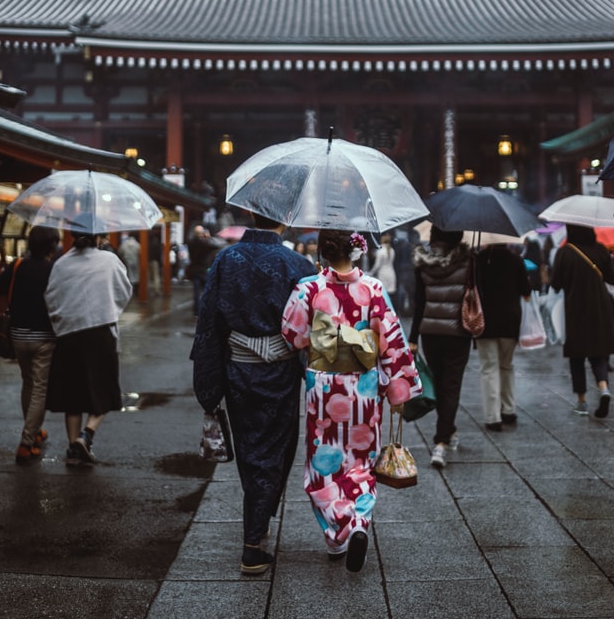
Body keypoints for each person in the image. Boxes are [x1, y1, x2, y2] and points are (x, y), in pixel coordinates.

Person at [281, 229, 422, 574]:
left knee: (322, 466)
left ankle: (339, 530)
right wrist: (398, 388)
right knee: (359, 461)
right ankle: (358, 521)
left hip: (324, 390)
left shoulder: (309, 287)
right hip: (364, 387)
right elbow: (391, 339)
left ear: (323, 252)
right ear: (357, 250)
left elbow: (293, 337)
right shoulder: (373, 289)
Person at [190, 211, 312, 576]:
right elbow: (313, 323)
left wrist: (207, 384)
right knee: (276, 448)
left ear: (250, 217)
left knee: (249, 449)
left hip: (238, 369)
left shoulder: (225, 258)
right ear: (283, 221)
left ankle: (258, 521)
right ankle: (253, 542)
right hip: (281, 370)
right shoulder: (298, 263)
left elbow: (208, 319)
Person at [44, 219, 133, 466]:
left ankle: (73, 447)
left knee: (72, 393)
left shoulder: (61, 264)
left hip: (69, 334)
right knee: (103, 387)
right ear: (99, 237)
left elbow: (51, 296)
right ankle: (87, 434)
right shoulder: (109, 261)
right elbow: (124, 291)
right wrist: (107, 307)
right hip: (100, 331)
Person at [0, 226, 60, 465]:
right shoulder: (54, 270)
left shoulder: (18, 265)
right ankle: (26, 442)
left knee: (28, 382)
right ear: (52, 246)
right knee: (40, 387)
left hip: (18, 336)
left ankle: (33, 430)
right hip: (44, 337)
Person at [409, 225, 473, 469]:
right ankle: (441, 443)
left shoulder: (422, 262)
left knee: (438, 383)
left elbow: (419, 303)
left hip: (430, 334)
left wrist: (413, 337)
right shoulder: (468, 262)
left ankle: (449, 429)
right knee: (451, 386)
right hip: (458, 333)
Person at [550, 223, 614, 417]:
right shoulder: (600, 250)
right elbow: (611, 278)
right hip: (601, 306)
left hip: (575, 308)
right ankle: (603, 388)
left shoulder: (565, 252)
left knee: (577, 355)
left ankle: (582, 401)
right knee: (598, 351)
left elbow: (556, 284)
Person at [475, 242, 531, 430]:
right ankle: (508, 410)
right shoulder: (516, 260)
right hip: (510, 321)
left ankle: (493, 417)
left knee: (489, 368)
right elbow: (526, 290)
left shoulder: (477, 261)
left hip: (485, 323)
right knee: (507, 366)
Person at [187, 224, 220, 314]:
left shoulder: (191, 242)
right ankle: (207, 308)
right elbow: (215, 246)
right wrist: (208, 238)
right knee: (207, 290)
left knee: (196, 291)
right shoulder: (204, 243)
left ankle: (196, 310)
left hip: (194, 269)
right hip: (202, 269)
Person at [369, 232, 398, 309]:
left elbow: (377, 265)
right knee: (390, 296)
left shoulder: (380, 251)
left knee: (383, 295)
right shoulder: (392, 250)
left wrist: (371, 273)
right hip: (391, 273)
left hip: (383, 274)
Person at [148, 230, 162, 297]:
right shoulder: (156, 242)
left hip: (147, 260)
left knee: (147, 276)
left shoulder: (146, 241)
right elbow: (159, 253)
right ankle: (157, 290)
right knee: (156, 276)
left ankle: (146, 289)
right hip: (155, 261)